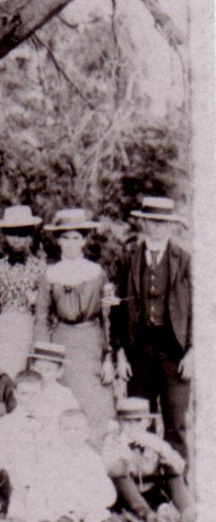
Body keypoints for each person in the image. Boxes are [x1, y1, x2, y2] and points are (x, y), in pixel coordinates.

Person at [110, 195, 191, 455]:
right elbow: (118, 308)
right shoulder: (128, 259)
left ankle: (177, 489)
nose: (157, 227)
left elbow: (200, 310)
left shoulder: (185, 259)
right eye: (152, 222)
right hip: (139, 351)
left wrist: (193, 352)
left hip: (174, 351)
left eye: (162, 223)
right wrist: (120, 353)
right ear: (143, 223)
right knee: (137, 420)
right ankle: (143, 486)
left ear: (171, 226)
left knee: (175, 424)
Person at [37, 209, 115, 431]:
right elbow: (42, 317)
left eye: (76, 238)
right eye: (65, 238)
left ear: (84, 241)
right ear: (59, 241)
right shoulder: (50, 274)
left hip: (91, 342)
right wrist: (43, 358)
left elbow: (107, 316)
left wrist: (108, 357)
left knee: (93, 402)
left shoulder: (97, 273)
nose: (71, 243)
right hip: (62, 341)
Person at [0, 204, 46, 378]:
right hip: (4, 330)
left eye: (22, 234)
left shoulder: (41, 268)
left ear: (30, 237)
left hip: (31, 329)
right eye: (11, 234)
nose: (16, 240)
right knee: (5, 374)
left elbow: (48, 306)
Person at [103, 397, 193, 522]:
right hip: (127, 496)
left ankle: (188, 511)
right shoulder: (113, 441)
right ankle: (149, 517)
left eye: (138, 421)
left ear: (148, 422)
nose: (133, 427)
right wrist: (125, 455)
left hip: (152, 491)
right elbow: (108, 469)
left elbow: (180, 467)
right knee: (120, 475)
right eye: (127, 422)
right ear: (119, 423)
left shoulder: (153, 441)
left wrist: (161, 452)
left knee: (172, 472)